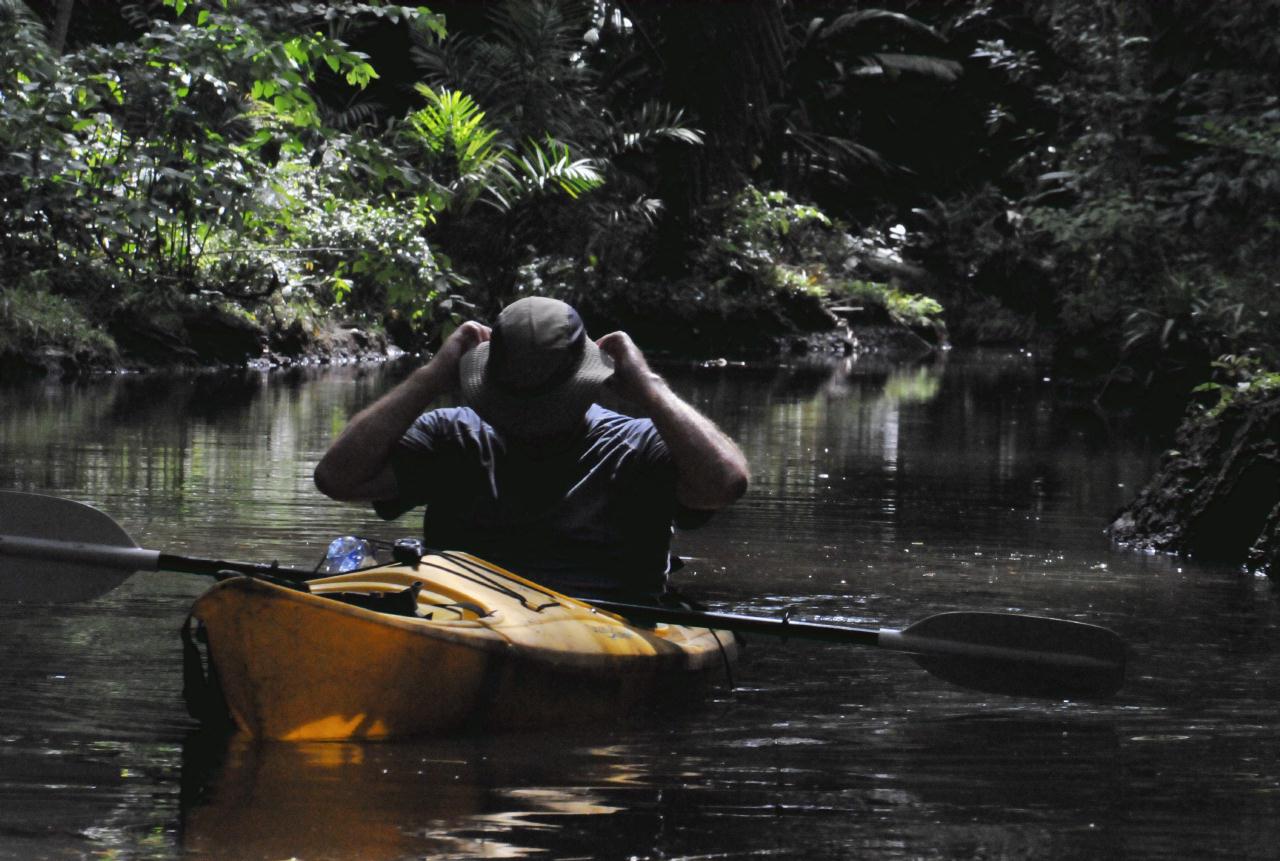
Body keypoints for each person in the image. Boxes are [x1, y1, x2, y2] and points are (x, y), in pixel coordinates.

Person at [313, 296, 749, 600]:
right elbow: (337, 478)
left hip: (601, 627)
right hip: (460, 616)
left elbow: (725, 483)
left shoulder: (637, 446)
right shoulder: (449, 436)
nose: (530, 420)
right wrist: (431, 376)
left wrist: (651, 389)